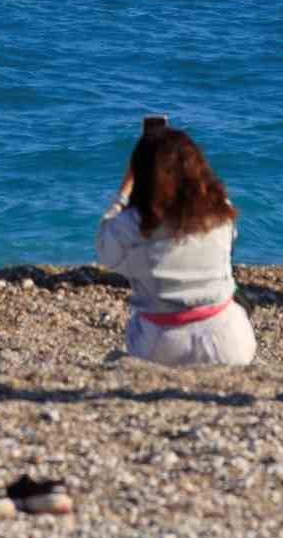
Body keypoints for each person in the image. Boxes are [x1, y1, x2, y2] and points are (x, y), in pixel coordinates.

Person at [96, 126, 256, 367]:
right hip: (231, 343)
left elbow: (106, 252)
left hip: (162, 346)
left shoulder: (131, 223)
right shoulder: (221, 210)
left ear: (140, 173)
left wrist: (123, 191)